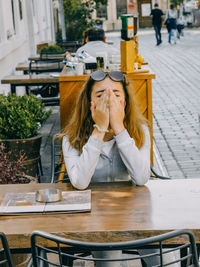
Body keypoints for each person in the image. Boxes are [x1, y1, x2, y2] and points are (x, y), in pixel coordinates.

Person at [60, 70, 155, 267]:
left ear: (124, 103)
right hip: (94, 219)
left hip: (134, 213)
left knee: (165, 253)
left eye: (116, 95)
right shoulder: (72, 138)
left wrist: (119, 129)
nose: (109, 100)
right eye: (101, 95)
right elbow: (79, 182)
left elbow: (141, 178)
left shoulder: (140, 132)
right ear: (90, 103)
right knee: (109, 258)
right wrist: (100, 129)